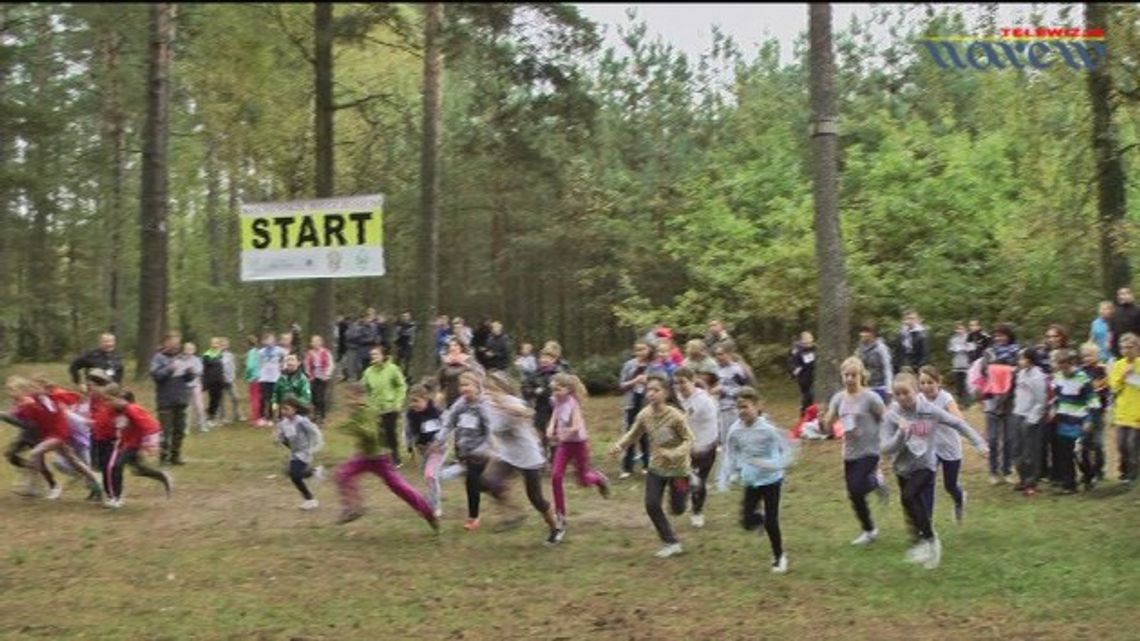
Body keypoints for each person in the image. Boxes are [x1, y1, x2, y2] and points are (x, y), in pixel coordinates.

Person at [881, 373, 988, 570]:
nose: (902, 398)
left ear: (916, 391)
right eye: (897, 394)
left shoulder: (929, 410)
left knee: (908, 496)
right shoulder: (892, 415)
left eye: (906, 393)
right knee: (911, 507)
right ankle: (922, 543)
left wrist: (979, 443)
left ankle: (931, 541)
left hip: (925, 465)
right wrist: (901, 433)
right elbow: (885, 447)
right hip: (902, 467)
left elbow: (957, 423)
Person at [608, 375, 694, 558]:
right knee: (651, 504)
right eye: (649, 390)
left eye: (656, 390)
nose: (651, 394)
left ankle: (691, 484)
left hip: (679, 469)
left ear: (666, 393)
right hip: (656, 467)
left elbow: (689, 440)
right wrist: (619, 446)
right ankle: (671, 542)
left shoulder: (676, 416)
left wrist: (674, 453)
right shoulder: (645, 414)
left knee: (678, 509)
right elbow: (633, 434)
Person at [332, 385, 439, 529]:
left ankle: (428, 513)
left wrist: (355, 427)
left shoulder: (368, 411)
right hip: (364, 456)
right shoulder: (356, 412)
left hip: (379, 458)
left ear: (360, 397)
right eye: (347, 398)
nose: (348, 402)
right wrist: (343, 426)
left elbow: (371, 434)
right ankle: (353, 508)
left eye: (351, 398)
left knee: (399, 487)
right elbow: (353, 427)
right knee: (341, 474)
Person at [718, 386, 794, 574]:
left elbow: (786, 450)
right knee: (746, 521)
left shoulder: (767, 430)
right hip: (751, 480)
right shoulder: (734, 431)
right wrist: (725, 476)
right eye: (739, 407)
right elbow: (730, 453)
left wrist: (774, 464)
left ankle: (779, 557)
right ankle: (759, 521)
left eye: (746, 406)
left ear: (756, 406)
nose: (742, 411)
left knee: (772, 521)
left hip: (771, 480)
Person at [480, 372, 563, 544]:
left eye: (493, 389)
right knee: (486, 482)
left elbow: (528, 413)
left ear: (503, 389)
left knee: (536, 498)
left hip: (527, 454)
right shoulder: (486, 404)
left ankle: (556, 527)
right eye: (487, 389)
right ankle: (515, 513)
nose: (489, 393)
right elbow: (490, 425)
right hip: (506, 454)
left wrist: (507, 406)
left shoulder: (513, 402)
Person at [822, 357, 889, 546]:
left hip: (870, 450)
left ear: (861, 376)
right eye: (846, 375)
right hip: (849, 452)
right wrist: (825, 422)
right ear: (842, 376)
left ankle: (876, 481)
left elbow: (886, 418)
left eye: (854, 375)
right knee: (854, 494)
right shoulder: (838, 398)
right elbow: (829, 424)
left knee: (857, 487)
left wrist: (887, 442)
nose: (850, 379)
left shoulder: (871, 398)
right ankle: (869, 530)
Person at [8, 376, 101, 500]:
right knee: (75, 462)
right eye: (31, 387)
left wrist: (81, 400)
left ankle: (30, 484)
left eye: (35, 387)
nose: (32, 389)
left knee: (35, 452)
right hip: (49, 435)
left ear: (44, 388)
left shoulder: (54, 396)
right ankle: (95, 477)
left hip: (59, 434)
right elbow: (21, 415)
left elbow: (74, 398)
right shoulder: (33, 402)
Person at [546, 373, 610, 532]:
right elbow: (556, 412)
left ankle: (598, 479)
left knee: (583, 480)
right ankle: (560, 515)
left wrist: (563, 433)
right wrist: (551, 426)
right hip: (564, 446)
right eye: (552, 389)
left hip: (579, 444)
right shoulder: (556, 400)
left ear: (567, 390)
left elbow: (575, 426)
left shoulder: (573, 403)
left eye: (558, 390)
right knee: (556, 476)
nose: (554, 393)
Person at [433, 372, 494, 531]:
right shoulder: (460, 404)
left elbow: (490, 432)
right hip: (463, 450)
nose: (464, 389)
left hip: (480, 452)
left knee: (472, 482)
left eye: (468, 385)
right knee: (478, 482)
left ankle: (473, 517)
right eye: (462, 385)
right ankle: (495, 487)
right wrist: (439, 439)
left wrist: (483, 450)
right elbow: (449, 423)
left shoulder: (483, 406)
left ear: (477, 386)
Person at [98, 385, 172, 509]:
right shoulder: (112, 410)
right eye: (104, 400)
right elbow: (106, 424)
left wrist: (151, 444)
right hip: (124, 443)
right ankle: (162, 476)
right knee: (138, 469)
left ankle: (116, 498)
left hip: (133, 444)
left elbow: (150, 426)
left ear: (117, 398)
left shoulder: (132, 409)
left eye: (108, 400)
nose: (106, 403)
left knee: (114, 466)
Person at [918, 366, 968, 523]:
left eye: (930, 382)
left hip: (950, 448)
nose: (926, 386)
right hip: (930, 449)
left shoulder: (946, 398)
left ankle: (959, 499)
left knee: (950, 485)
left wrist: (948, 416)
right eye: (922, 383)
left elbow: (958, 417)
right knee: (927, 483)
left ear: (938, 382)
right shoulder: (919, 399)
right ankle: (927, 522)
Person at [972, 323, 1019, 485]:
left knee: (1009, 438)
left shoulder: (1017, 352)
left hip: (1010, 401)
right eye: (997, 335)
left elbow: (1018, 371)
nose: (999, 338)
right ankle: (993, 471)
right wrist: (1004, 369)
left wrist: (1001, 369)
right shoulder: (989, 352)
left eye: (1003, 335)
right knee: (992, 438)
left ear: (1009, 336)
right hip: (991, 399)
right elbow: (984, 371)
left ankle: (1007, 470)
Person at [674, 367, 718, 528]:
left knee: (699, 481)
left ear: (692, 381)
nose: (679, 386)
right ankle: (682, 498)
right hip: (687, 446)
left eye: (683, 382)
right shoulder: (678, 396)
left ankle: (697, 511)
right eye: (676, 383)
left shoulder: (701, 399)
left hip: (705, 446)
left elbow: (683, 417)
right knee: (683, 477)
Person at [1048, 349, 1096, 495]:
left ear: (1071, 363)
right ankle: (1069, 484)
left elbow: (1092, 400)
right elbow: (1055, 397)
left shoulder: (1083, 378)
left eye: (1065, 364)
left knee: (1079, 453)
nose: (1062, 367)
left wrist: (1089, 419)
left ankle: (1089, 476)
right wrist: (1053, 409)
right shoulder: (1057, 378)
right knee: (1065, 454)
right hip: (1063, 421)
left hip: (1080, 421)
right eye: (1059, 364)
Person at [273, 395, 324, 510]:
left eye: (287, 409)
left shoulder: (301, 421)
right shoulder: (283, 423)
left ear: (295, 409)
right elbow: (282, 437)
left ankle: (310, 499)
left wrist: (314, 447)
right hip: (294, 452)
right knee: (290, 472)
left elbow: (314, 433)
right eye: (282, 409)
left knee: (295, 476)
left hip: (304, 452)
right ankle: (314, 472)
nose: (284, 412)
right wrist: (277, 439)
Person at [151, 333, 194, 465]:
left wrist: (189, 373)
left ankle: (176, 456)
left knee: (179, 429)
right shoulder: (158, 358)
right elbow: (156, 376)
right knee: (165, 431)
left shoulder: (182, 357)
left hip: (180, 398)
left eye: (178, 344)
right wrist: (169, 369)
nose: (176, 346)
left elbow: (188, 379)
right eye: (173, 344)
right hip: (166, 400)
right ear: (166, 343)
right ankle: (163, 457)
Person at [362, 345, 407, 467]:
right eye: (372, 355)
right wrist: (367, 403)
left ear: (383, 355)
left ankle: (396, 457)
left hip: (390, 407)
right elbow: (364, 389)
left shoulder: (393, 369)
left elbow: (401, 386)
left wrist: (398, 402)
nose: (373, 357)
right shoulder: (368, 372)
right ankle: (381, 458)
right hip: (375, 408)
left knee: (390, 433)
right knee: (378, 434)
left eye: (376, 354)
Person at [405, 385, 445, 517]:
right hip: (422, 450)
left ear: (426, 399)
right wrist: (410, 447)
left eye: (416, 401)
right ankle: (430, 499)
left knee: (430, 475)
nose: (413, 404)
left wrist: (437, 443)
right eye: (411, 401)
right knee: (428, 477)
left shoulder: (437, 413)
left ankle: (436, 507)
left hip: (437, 449)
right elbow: (408, 432)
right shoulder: (411, 414)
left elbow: (446, 428)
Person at [1011, 348, 1048, 495]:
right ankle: (1022, 478)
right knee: (1017, 451)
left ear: (1030, 360)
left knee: (1030, 452)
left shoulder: (1038, 377)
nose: (1019, 361)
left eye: (1022, 358)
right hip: (1018, 414)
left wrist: (1032, 419)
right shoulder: (1020, 374)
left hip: (1031, 418)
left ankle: (1031, 482)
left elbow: (1041, 401)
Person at [1109, 333, 1140, 487]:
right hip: (1122, 412)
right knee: (1121, 445)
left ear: (1137, 347)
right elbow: (1114, 387)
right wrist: (1123, 375)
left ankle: (1133, 476)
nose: (1127, 350)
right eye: (1123, 348)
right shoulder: (1118, 365)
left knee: (1132, 444)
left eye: (1130, 347)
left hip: (1137, 413)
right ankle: (1124, 472)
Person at [617, 341, 652, 479]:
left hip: (647, 403)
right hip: (631, 403)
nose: (641, 353)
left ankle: (647, 465)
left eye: (643, 349)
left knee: (645, 435)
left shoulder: (653, 366)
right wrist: (634, 381)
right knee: (630, 434)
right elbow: (621, 385)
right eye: (637, 350)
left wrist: (647, 382)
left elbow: (659, 383)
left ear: (649, 350)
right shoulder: (629, 365)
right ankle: (627, 467)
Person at [1078, 343, 1109, 489]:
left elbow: (1102, 389)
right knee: (1084, 444)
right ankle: (1087, 474)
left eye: (1090, 355)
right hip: (1083, 412)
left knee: (1097, 443)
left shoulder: (1102, 370)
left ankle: (1099, 469)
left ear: (1097, 356)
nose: (1086, 358)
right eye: (1084, 355)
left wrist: (1093, 389)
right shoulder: (1080, 371)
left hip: (1098, 411)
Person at [712, 342, 752, 447]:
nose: (718, 357)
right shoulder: (718, 370)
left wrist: (724, 390)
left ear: (729, 354)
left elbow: (744, 390)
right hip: (722, 408)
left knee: (738, 437)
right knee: (726, 439)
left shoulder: (736, 370)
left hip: (735, 409)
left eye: (721, 354)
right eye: (716, 355)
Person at [521, 349, 558, 460]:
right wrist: (533, 391)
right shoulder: (534, 374)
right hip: (540, 408)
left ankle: (555, 460)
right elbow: (525, 389)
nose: (545, 360)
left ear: (554, 360)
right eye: (543, 357)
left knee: (553, 435)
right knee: (540, 435)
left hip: (556, 410)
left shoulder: (559, 374)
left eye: (549, 358)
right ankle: (541, 459)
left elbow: (568, 387)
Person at [438, 338, 483, 410]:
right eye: (451, 346)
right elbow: (441, 378)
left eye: (455, 345)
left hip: (466, 394)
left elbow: (478, 374)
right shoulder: (446, 361)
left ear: (461, 347)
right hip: (450, 395)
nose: (452, 348)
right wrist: (441, 392)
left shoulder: (468, 359)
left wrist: (464, 364)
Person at [855, 324, 894, 403]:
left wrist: (889, 388)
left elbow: (887, 367)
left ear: (872, 334)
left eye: (866, 332)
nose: (863, 334)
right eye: (862, 332)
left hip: (880, 386)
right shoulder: (859, 349)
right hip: (865, 386)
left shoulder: (881, 348)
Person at [256, 333, 287, 426]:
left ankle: (274, 417)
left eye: (271, 339)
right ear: (264, 341)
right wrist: (258, 374)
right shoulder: (261, 352)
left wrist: (283, 366)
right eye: (268, 340)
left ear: (274, 341)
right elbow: (259, 364)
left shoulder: (280, 350)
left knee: (275, 399)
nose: (270, 341)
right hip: (264, 378)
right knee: (264, 398)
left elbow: (286, 357)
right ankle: (263, 417)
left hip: (275, 378)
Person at [272, 353, 313, 420]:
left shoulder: (302, 379)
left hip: (298, 413)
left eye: (292, 360)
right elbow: (276, 392)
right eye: (288, 360)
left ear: (298, 362)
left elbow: (306, 398)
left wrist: (293, 404)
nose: (289, 362)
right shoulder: (282, 378)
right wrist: (274, 403)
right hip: (283, 412)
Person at [304, 335, 334, 422]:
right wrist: (309, 374)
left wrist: (327, 374)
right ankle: (315, 413)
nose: (315, 343)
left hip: (323, 376)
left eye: (317, 341)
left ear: (321, 342)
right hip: (313, 377)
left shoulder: (326, 352)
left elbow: (330, 364)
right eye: (313, 342)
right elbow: (306, 365)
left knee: (320, 397)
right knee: (313, 396)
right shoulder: (309, 353)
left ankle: (322, 415)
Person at [787, 332, 817, 415]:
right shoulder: (798, 351)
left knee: (812, 396)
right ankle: (804, 413)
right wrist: (795, 371)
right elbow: (793, 364)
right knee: (807, 396)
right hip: (804, 378)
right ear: (802, 341)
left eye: (810, 339)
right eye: (806, 340)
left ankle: (810, 413)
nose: (808, 342)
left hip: (815, 377)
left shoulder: (815, 349)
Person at [201, 338, 227, 428]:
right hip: (211, 381)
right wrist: (218, 354)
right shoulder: (207, 355)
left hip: (219, 381)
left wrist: (223, 379)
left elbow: (221, 368)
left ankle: (214, 417)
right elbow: (209, 364)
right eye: (214, 343)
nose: (215, 345)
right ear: (211, 344)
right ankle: (209, 418)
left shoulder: (220, 355)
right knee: (213, 400)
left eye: (217, 343)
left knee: (217, 400)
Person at [181, 342, 207, 434]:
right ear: (184, 350)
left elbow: (200, 371)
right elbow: (180, 372)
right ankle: (186, 428)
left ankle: (202, 426)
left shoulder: (197, 360)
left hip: (196, 385)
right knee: (187, 408)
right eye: (187, 349)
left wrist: (192, 371)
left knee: (199, 406)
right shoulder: (182, 360)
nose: (189, 351)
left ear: (194, 350)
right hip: (186, 387)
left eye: (191, 349)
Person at [219, 338, 244, 423]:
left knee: (236, 397)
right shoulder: (216, 355)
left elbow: (233, 367)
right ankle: (223, 417)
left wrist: (233, 377)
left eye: (225, 344)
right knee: (221, 400)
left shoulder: (230, 355)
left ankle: (237, 415)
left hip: (230, 380)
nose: (224, 346)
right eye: (222, 345)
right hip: (220, 381)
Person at [946, 322, 972, 405]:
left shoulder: (969, 337)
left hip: (966, 364)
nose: (959, 330)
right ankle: (960, 402)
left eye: (961, 329)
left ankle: (967, 402)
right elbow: (949, 349)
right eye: (957, 329)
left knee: (966, 384)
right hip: (956, 364)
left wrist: (964, 348)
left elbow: (972, 348)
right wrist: (952, 349)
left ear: (965, 329)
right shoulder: (953, 339)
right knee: (958, 384)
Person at [1110, 287, 1140, 358]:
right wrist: (1112, 347)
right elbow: (1112, 332)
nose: (1123, 296)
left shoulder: (1138, 310)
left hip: (1134, 346)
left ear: (1131, 295)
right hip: (1119, 348)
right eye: (1121, 294)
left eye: (1126, 293)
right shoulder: (1115, 311)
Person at [243, 335, 262, 425]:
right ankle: (257, 417)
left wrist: (247, 376)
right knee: (257, 397)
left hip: (253, 378)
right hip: (259, 377)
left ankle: (255, 418)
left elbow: (249, 366)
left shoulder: (251, 352)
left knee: (254, 398)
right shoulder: (258, 352)